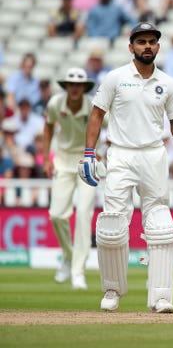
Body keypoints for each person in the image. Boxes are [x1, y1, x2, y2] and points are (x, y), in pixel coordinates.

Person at [79, 22, 173, 313]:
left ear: (158, 47)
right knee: (112, 224)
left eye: (152, 42)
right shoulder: (116, 78)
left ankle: (160, 297)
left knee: (160, 225)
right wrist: (88, 154)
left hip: (153, 155)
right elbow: (96, 115)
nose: (147, 46)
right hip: (120, 154)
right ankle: (112, 291)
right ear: (131, 46)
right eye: (141, 42)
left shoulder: (168, 83)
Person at [43, 67, 98, 290]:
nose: (75, 88)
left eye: (79, 85)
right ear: (67, 86)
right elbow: (47, 128)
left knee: (84, 214)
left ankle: (78, 272)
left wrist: (101, 151)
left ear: (85, 87)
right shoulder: (56, 103)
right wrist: (47, 159)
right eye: (71, 84)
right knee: (56, 215)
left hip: (86, 162)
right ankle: (68, 255)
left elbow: (109, 128)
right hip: (63, 162)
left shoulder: (93, 105)